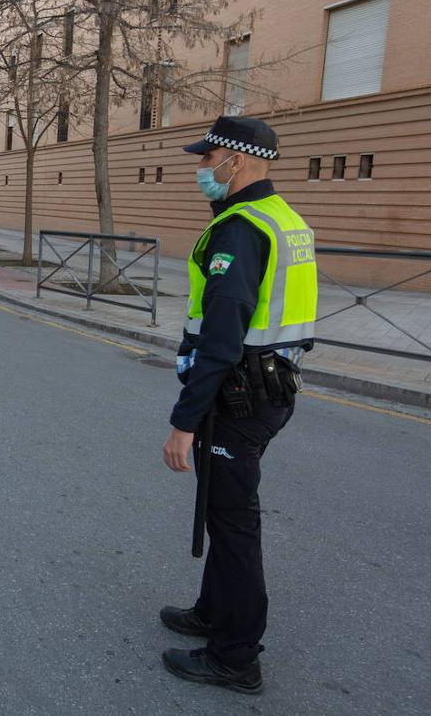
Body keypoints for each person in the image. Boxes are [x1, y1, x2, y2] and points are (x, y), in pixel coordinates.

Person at [158, 116, 317, 695]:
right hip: (268, 385)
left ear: (236, 161)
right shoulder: (284, 219)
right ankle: (213, 612)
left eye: (207, 159)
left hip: (239, 395)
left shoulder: (241, 229)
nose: (201, 169)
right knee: (224, 510)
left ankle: (236, 656)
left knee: (233, 522)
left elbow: (222, 337)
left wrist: (185, 420)